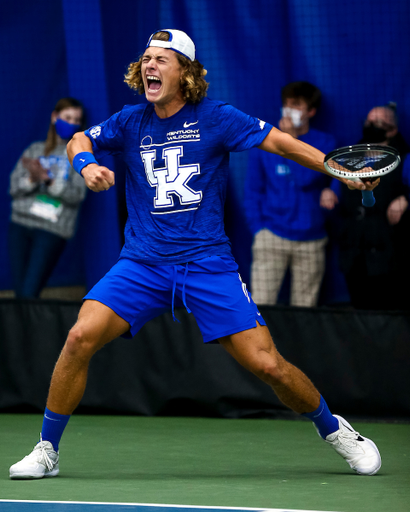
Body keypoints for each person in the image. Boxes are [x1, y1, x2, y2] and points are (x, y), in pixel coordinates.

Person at [9, 29, 381, 480]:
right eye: (145, 58)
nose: (150, 66)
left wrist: (335, 168)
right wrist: (87, 167)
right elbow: (78, 140)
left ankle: (336, 430)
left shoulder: (218, 117)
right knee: (78, 338)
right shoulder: (130, 121)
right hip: (142, 262)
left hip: (207, 264)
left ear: (185, 72)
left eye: (161, 60)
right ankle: (47, 448)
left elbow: (281, 142)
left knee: (270, 367)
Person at [244, 82, 336, 306]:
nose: (288, 109)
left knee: (305, 312)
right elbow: (252, 191)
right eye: (286, 104)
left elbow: (305, 179)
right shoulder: (264, 142)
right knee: (261, 306)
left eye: (296, 105)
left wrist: (289, 140)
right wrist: (259, 231)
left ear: (311, 111)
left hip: (311, 241)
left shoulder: (325, 143)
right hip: (271, 236)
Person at [320, 103, 410, 309]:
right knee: (360, 309)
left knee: (391, 310)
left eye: (378, 123)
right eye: (369, 122)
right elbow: (335, 189)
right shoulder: (348, 160)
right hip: (354, 252)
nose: (371, 126)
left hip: (391, 253)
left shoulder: (404, 160)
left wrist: (406, 199)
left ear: (393, 130)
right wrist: (327, 193)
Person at [8, 97, 87, 298]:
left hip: (52, 229)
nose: (71, 123)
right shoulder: (35, 149)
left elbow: (77, 195)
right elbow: (13, 188)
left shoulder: (81, 156)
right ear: (54, 117)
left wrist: (49, 180)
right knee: (20, 294)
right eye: (67, 117)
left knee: (29, 293)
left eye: (76, 120)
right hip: (21, 224)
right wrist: (32, 179)